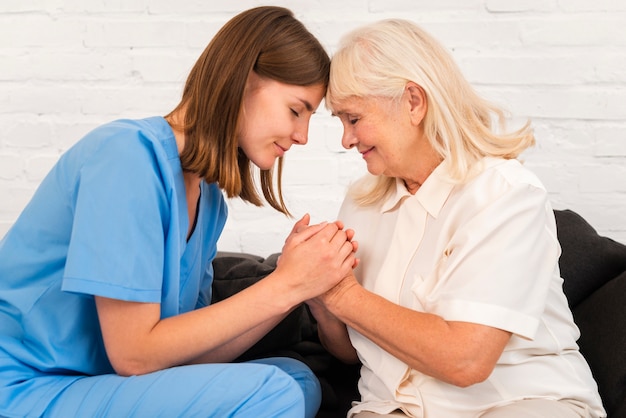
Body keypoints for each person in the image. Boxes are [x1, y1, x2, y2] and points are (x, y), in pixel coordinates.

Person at [0, 6, 357, 418]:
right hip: (29, 385)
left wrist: (294, 286)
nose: (302, 136)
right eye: (296, 110)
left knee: (295, 377)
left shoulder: (208, 203)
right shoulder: (127, 157)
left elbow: (185, 353)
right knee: (274, 391)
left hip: (99, 385)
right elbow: (134, 355)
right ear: (244, 81)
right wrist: (287, 285)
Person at [305, 19, 607, 418]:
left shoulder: (505, 194)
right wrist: (319, 294)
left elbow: (466, 360)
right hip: (392, 408)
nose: (345, 139)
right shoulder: (361, 205)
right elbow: (349, 351)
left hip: (517, 403)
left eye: (354, 118)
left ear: (413, 102)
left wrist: (345, 294)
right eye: (340, 122)